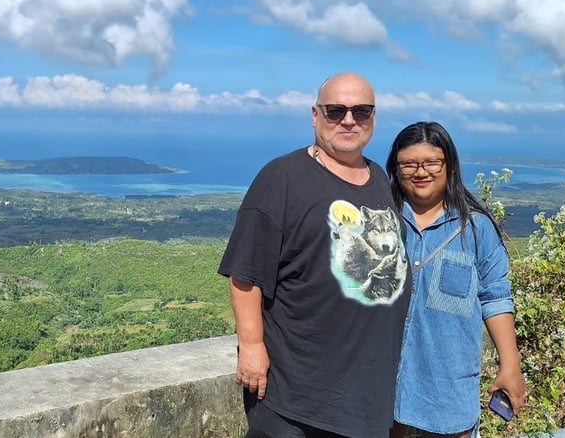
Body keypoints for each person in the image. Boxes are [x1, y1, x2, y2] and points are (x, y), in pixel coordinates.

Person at [218, 72, 411, 438]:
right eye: (335, 111)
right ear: (315, 115)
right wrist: (252, 345)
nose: (349, 120)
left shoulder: (379, 180)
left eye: (361, 111)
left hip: (367, 396)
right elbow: (245, 274)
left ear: (373, 117)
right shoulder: (282, 178)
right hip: (296, 398)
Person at [385, 121, 527, 438]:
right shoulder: (384, 221)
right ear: (396, 168)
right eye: (408, 164)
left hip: (447, 373)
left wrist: (510, 366)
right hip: (382, 370)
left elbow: (495, 297)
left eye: (432, 162)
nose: (420, 172)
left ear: (449, 164)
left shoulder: (477, 229)